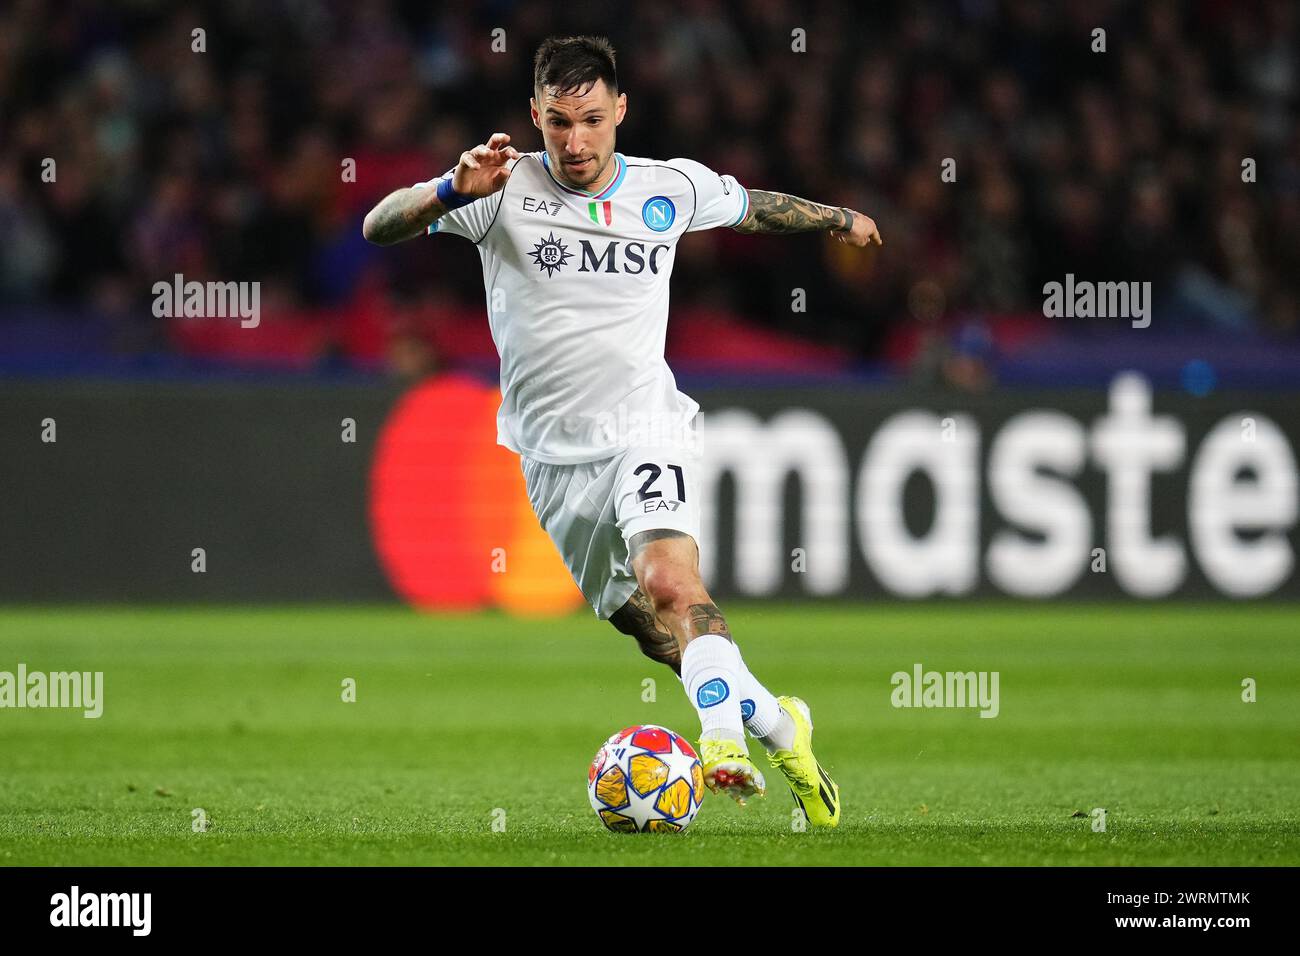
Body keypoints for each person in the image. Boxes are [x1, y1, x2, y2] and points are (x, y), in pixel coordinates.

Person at [362, 35, 882, 827]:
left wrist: (838, 217)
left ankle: (721, 746)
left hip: (645, 422)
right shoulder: (499, 190)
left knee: (673, 582)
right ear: (536, 115)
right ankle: (781, 724)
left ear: (621, 112)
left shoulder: (668, 187)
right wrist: (445, 188)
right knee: (656, 632)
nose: (576, 142)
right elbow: (377, 226)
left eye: (593, 121)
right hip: (551, 458)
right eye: (560, 122)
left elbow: (753, 208)